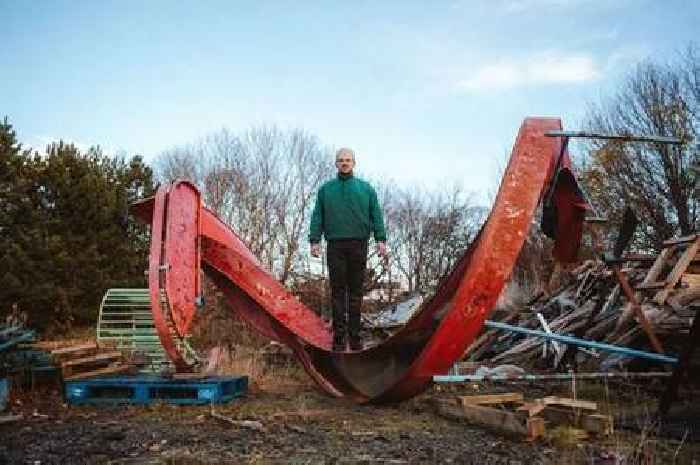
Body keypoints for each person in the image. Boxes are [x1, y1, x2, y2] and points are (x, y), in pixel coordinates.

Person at [309, 147, 387, 352]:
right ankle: (339, 338)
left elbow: (376, 214)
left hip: (358, 244)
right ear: (336, 164)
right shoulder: (326, 190)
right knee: (337, 292)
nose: (344, 163)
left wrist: (381, 239)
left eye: (348, 160)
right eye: (341, 160)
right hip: (335, 245)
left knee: (355, 292)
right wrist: (314, 240)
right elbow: (317, 215)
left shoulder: (366, 189)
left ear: (354, 163)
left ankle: (355, 337)